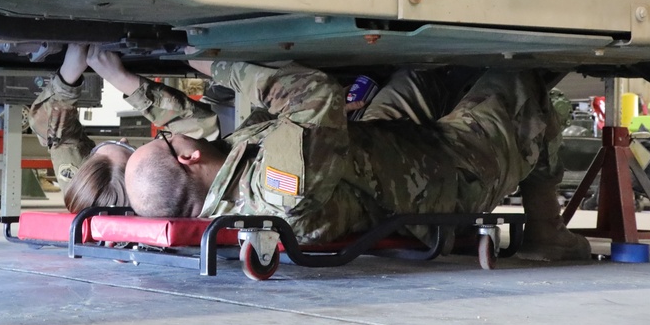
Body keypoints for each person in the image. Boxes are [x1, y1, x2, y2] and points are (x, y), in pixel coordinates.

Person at [124, 58, 591, 262]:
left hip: (385, 155)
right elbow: (313, 95)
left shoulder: (230, 192)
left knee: (419, 74)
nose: (174, 133)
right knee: (518, 76)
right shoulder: (275, 191)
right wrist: (224, 67)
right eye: (168, 140)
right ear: (186, 157)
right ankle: (547, 231)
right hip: (445, 177)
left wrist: (126, 79)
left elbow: (218, 125)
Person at [29, 44, 220, 212]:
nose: (124, 140)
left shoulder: (87, 188)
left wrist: (68, 76)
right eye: (130, 152)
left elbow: (53, 133)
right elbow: (200, 128)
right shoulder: (168, 193)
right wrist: (120, 78)